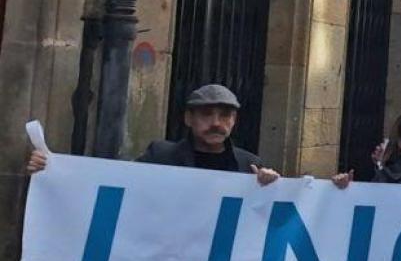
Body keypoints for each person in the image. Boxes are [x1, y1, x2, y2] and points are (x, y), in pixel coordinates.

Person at [28, 83, 280, 185]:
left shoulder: (250, 166)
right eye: (206, 114)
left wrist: (273, 187)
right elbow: (113, 183)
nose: (216, 123)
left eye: (225, 115)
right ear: (188, 119)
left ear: (234, 121)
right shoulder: (161, 155)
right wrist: (53, 169)